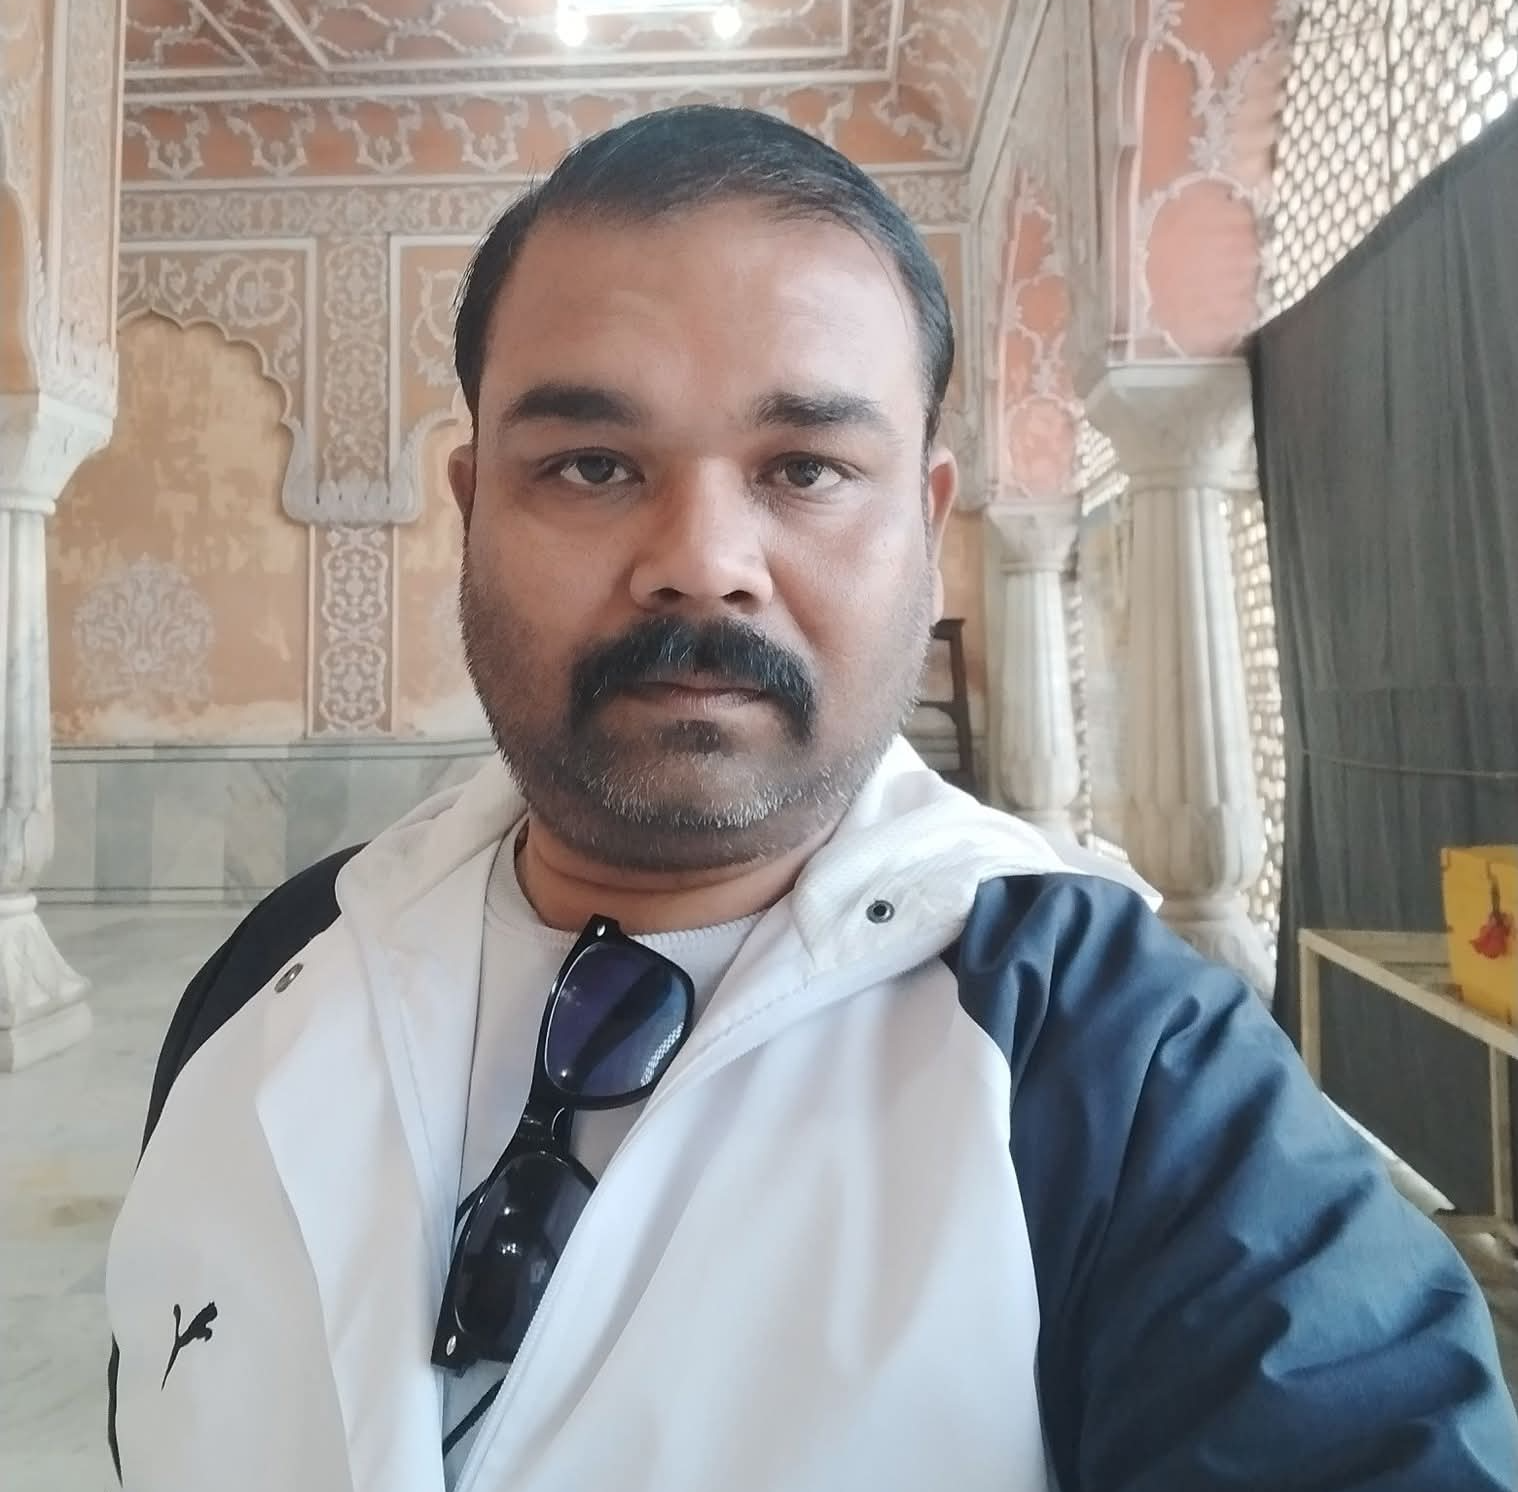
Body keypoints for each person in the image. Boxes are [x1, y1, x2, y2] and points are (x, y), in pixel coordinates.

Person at [105, 106, 1515, 1492]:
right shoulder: (280, 965)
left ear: (926, 522)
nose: (702, 560)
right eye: (592, 466)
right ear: (475, 509)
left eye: (805, 470)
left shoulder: (1115, 1055)